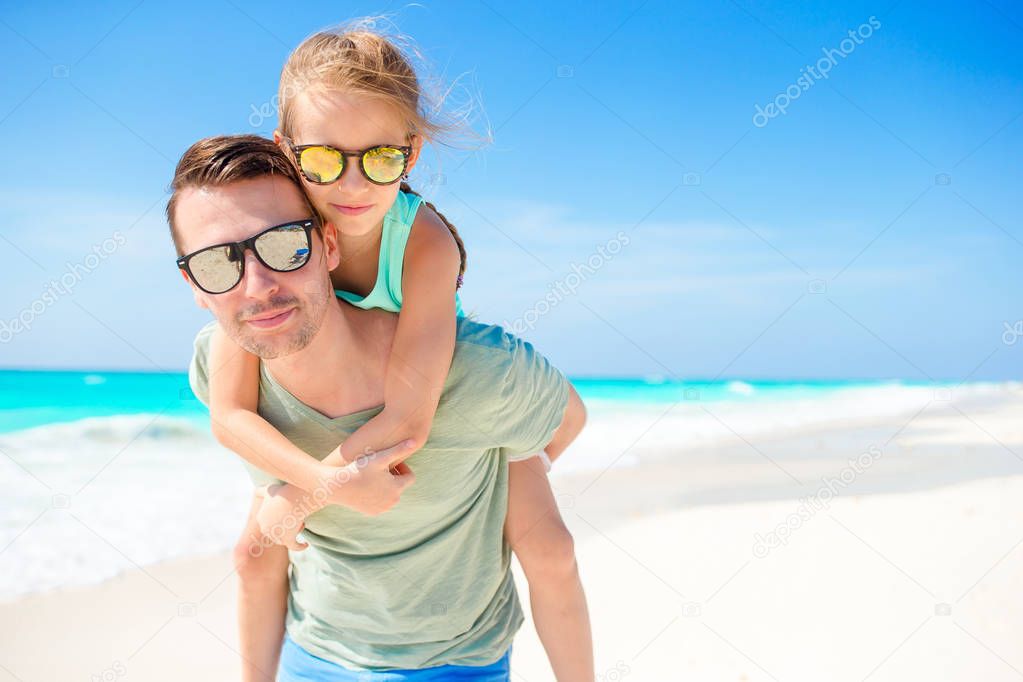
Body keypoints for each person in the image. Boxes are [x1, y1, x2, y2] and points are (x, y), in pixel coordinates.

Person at [200, 20, 593, 682]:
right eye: (324, 159)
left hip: (427, 396)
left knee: (550, 549)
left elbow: (411, 421)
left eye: (380, 158)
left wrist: (299, 501)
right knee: (250, 553)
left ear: (410, 154)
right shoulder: (266, 235)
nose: (352, 185)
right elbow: (228, 412)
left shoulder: (423, 240)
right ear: (285, 149)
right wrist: (311, 487)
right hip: (343, 428)